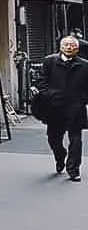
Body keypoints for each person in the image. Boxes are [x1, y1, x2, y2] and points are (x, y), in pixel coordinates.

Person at [34, 35, 88, 181]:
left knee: (76, 139)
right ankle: (60, 156)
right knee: (53, 138)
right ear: (61, 47)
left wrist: (82, 100)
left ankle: (73, 169)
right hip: (54, 107)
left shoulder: (84, 65)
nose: (69, 47)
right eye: (66, 45)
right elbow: (40, 80)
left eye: (72, 45)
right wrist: (48, 94)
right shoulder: (50, 61)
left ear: (77, 48)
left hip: (75, 107)